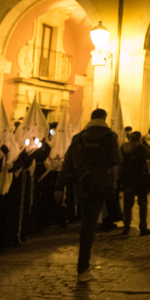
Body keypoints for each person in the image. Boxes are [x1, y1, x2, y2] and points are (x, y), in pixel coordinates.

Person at [56, 108, 120, 280]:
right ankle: (82, 269)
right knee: (89, 227)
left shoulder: (79, 138)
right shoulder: (110, 137)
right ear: (104, 118)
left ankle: (83, 267)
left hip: (81, 184)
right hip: (100, 184)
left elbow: (67, 163)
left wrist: (59, 186)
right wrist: (114, 184)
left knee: (87, 223)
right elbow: (115, 163)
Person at [119, 130, 150, 236]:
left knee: (127, 204)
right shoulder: (141, 148)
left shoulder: (123, 148)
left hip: (128, 179)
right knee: (142, 203)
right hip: (140, 178)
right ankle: (143, 227)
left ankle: (126, 227)